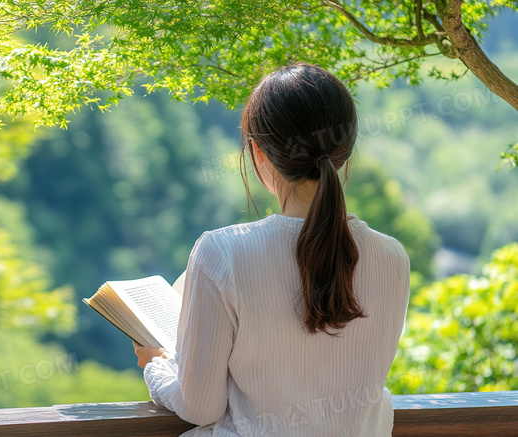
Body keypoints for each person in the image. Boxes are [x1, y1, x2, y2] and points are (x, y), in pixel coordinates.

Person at [133, 63, 411, 436]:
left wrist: (157, 365)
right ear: (345, 149)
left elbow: (200, 406)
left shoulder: (222, 253)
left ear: (259, 153)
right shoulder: (392, 257)